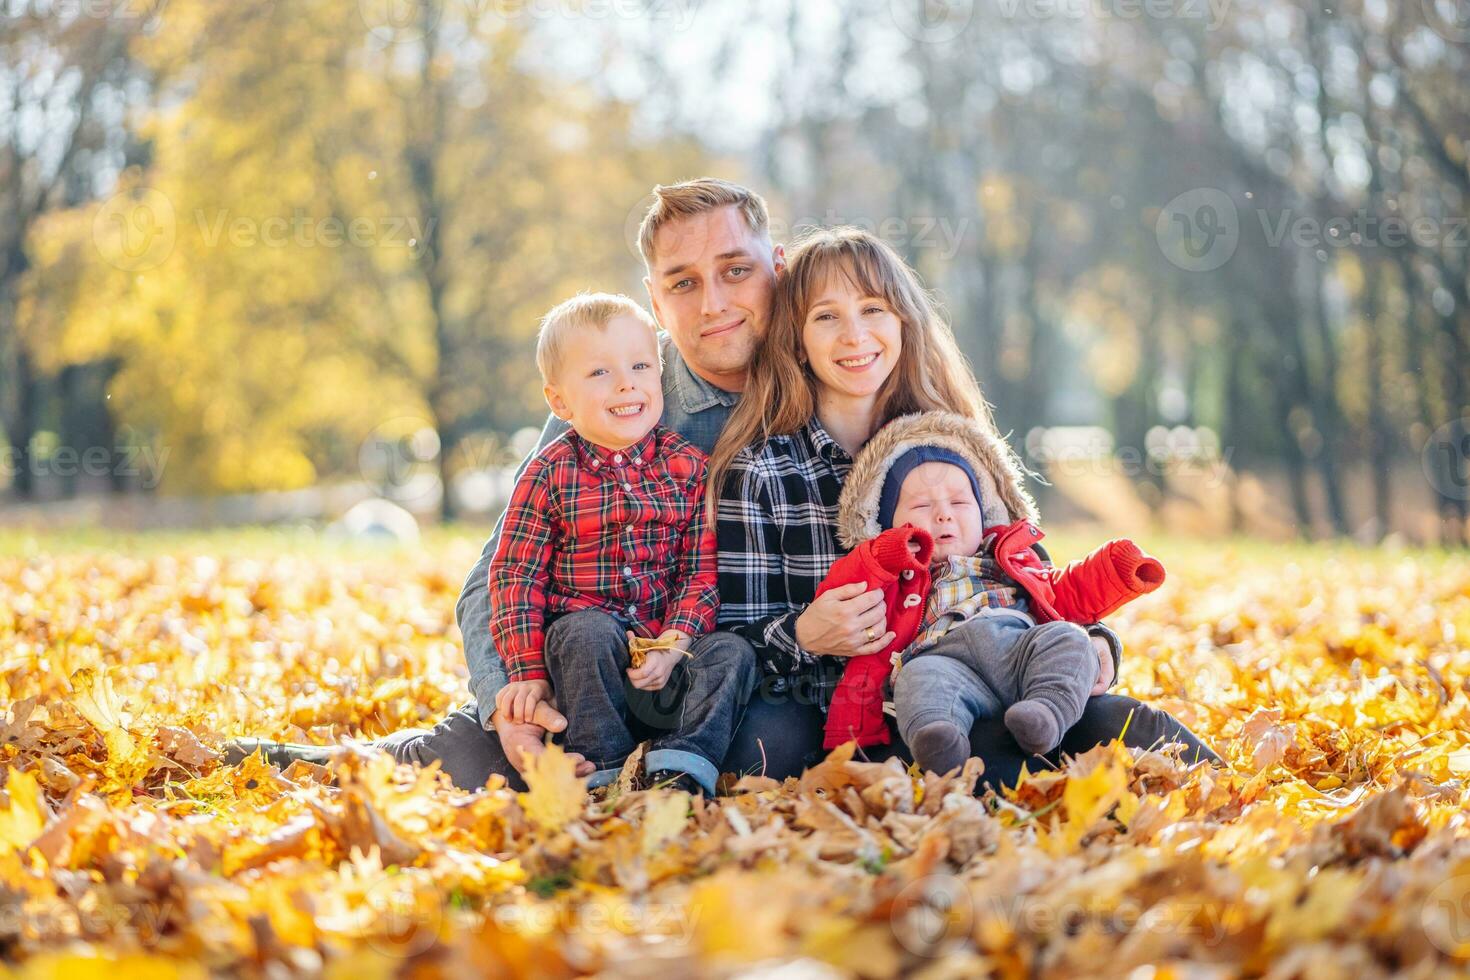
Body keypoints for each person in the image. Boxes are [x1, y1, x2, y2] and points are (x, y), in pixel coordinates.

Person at [707, 225, 1219, 789]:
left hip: (1009, 680)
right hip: (880, 711)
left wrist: (1096, 644)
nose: (854, 335)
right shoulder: (763, 471)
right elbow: (730, 644)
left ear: (904, 321)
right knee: (794, 750)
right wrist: (804, 634)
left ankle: (1243, 803)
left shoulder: (950, 442)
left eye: (873, 308)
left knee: (1125, 723)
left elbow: (1030, 576)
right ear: (796, 339)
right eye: (826, 316)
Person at [485, 292, 754, 795]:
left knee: (732, 652)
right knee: (583, 632)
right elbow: (515, 575)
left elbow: (701, 571)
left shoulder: (689, 466)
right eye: (600, 373)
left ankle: (684, 764)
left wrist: (676, 643)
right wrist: (524, 670)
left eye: (639, 365)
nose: (627, 382)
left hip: (669, 657)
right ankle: (602, 767)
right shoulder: (549, 473)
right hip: (587, 670)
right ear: (559, 401)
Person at [815, 410, 1181, 774]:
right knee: (917, 678)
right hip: (944, 662)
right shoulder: (894, 576)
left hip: (1018, 655)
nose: (943, 516)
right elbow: (845, 579)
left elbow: (1063, 593)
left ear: (983, 511)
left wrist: (1118, 568)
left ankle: (1044, 713)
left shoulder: (1008, 560)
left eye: (959, 503)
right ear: (888, 523)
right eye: (921, 506)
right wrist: (888, 550)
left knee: (1068, 637)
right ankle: (940, 738)